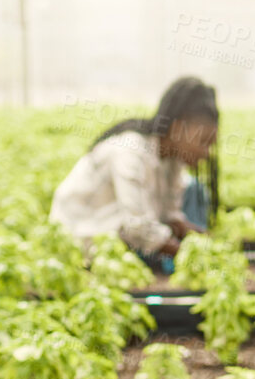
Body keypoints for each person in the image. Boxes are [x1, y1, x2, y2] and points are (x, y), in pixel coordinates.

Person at [50, 76, 218, 273]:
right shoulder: (130, 152)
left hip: (115, 246)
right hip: (81, 244)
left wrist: (207, 242)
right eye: (203, 142)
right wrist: (194, 258)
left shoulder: (173, 162)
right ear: (177, 129)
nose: (206, 153)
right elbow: (137, 227)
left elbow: (169, 216)